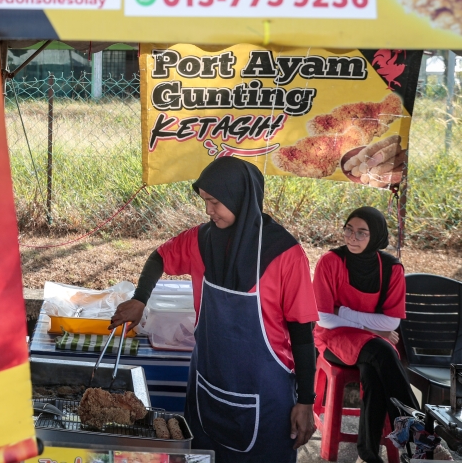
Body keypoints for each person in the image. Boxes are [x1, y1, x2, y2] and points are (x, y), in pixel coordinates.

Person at [111, 157, 318, 462]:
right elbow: (159, 257)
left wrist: (306, 401)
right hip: (206, 388)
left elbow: (302, 335)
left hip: (265, 399)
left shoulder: (285, 254)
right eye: (205, 201)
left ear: (240, 197)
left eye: (215, 202)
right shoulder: (201, 239)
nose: (208, 210)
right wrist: (140, 299)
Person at [313, 206, 418, 463]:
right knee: (382, 352)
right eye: (349, 230)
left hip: (372, 340)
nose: (352, 238)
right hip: (333, 337)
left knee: (375, 370)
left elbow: (391, 320)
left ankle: (368, 453)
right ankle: (418, 438)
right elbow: (323, 317)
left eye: (362, 233)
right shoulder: (330, 262)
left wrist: (345, 312)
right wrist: (370, 327)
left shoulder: (391, 269)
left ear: (377, 236)